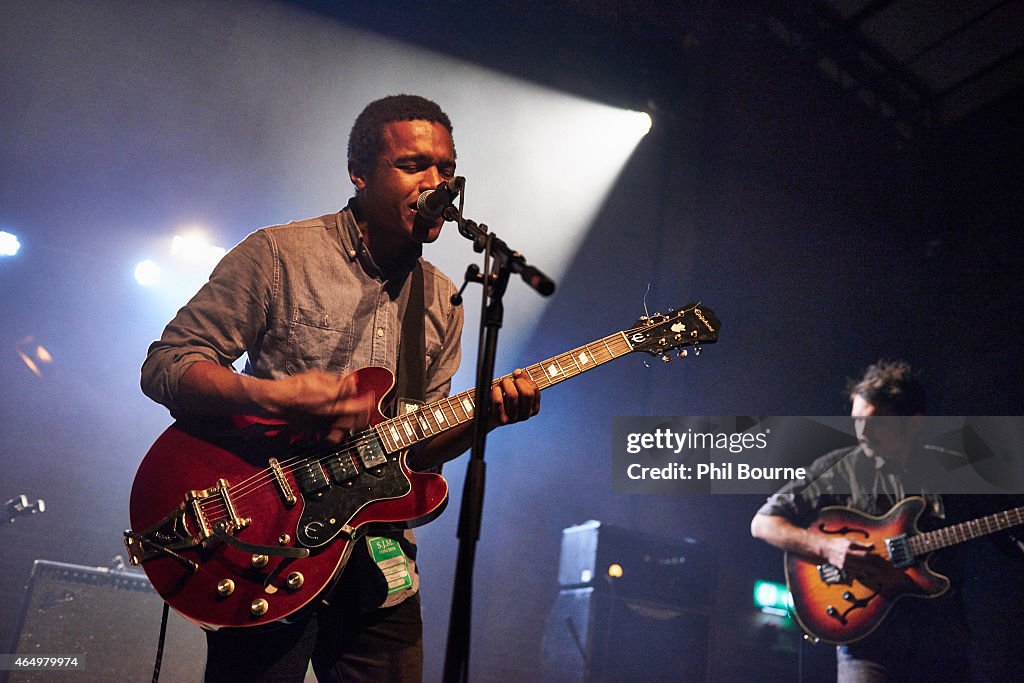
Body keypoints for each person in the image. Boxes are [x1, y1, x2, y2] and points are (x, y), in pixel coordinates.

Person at [141, 94, 540, 682]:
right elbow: (167, 365)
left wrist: (481, 421)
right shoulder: (280, 255)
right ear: (359, 173)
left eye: (447, 170)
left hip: (379, 562)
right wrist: (273, 396)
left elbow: (416, 450)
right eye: (413, 166)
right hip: (265, 543)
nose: (438, 183)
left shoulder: (442, 300)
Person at [750, 360, 972, 682]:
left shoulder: (952, 470)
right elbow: (763, 523)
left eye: (874, 423)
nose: (861, 432)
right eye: (856, 420)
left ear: (913, 423)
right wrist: (826, 546)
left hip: (940, 640)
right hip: (866, 642)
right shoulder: (838, 469)